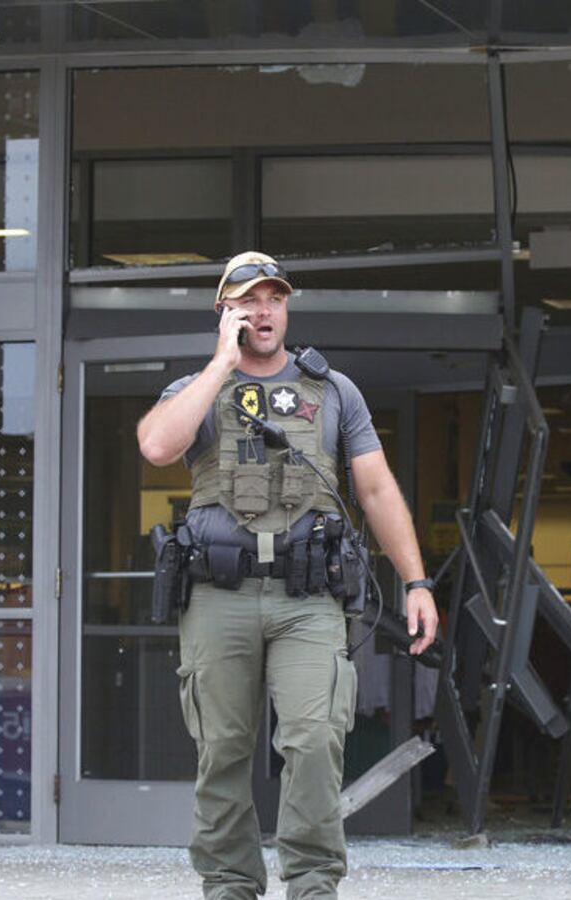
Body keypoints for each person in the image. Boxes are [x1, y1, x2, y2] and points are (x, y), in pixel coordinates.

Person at [137, 251, 440, 900]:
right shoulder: (195, 388)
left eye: (274, 297)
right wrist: (221, 362)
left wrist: (417, 583)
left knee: (312, 744)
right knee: (222, 753)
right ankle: (229, 887)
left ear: (286, 307)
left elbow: (378, 489)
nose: (263, 309)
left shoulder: (333, 391)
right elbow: (158, 446)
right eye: (247, 299)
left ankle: (311, 887)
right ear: (224, 311)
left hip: (309, 598)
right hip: (220, 596)